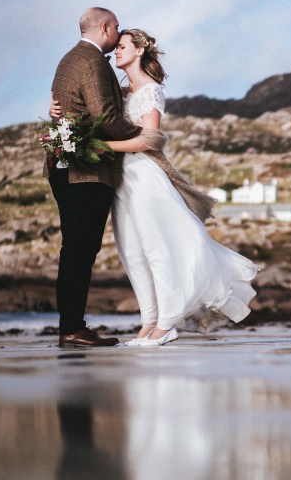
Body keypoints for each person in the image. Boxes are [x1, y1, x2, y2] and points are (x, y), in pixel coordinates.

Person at [104, 29, 260, 346]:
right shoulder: (123, 93)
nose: (115, 52)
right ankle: (148, 322)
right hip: (122, 180)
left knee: (157, 248)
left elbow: (151, 139)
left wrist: (103, 146)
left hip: (144, 176)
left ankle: (167, 323)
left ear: (138, 51)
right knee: (132, 252)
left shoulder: (150, 91)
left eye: (121, 47)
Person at [46, 8, 138, 348]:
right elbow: (106, 116)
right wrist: (143, 135)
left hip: (63, 167)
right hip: (84, 171)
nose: (118, 30)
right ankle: (72, 327)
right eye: (116, 25)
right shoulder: (93, 60)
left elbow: (71, 110)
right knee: (80, 252)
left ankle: (71, 326)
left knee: (74, 251)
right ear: (105, 27)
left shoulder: (70, 58)